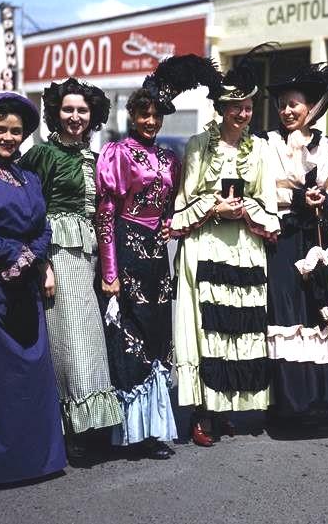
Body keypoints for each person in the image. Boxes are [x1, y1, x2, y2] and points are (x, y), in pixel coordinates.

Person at [0, 93, 66, 487]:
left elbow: (43, 228)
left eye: (15, 131)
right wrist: (15, 254)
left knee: (28, 371)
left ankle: (33, 461)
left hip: (24, 284)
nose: (8, 137)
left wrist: (32, 257)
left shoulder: (29, 178)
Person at [171, 57, 280, 446]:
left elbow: (267, 200)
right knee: (207, 329)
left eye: (248, 107)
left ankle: (226, 407)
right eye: (236, 107)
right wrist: (214, 208)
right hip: (208, 243)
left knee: (238, 327)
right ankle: (203, 413)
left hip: (244, 246)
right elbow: (184, 200)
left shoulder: (261, 148)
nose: (243, 114)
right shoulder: (198, 146)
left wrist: (245, 208)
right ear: (221, 108)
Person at [20, 78, 123, 460]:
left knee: (91, 340)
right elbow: (30, 213)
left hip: (91, 254)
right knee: (72, 341)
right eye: (68, 109)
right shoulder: (42, 155)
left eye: (82, 110)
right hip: (60, 254)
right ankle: (75, 429)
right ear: (56, 113)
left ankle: (92, 423)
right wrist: (43, 265)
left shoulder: (96, 157)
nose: (75, 116)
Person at [95, 66, 187, 458]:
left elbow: (169, 206)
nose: (150, 121)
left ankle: (153, 430)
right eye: (144, 114)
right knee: (128, 335)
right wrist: (110, 272)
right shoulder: (117, 153)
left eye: (156, 115)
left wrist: (167, 224)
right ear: (132, 115)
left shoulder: (169, 158)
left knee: (156, 334)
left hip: (157, 259)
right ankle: (127, 432)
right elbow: (105, 215)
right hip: (127, 249)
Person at [263, 62, 328, 419]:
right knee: (286, 311)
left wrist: (324, 198)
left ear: (311, 107)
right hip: (285, 237)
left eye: (294, 104)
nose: (287, 111)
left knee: (321, 310)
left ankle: (324, 400)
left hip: (318, 236)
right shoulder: (267, 144)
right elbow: (263, 190)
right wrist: (297, 198)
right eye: (282, 105)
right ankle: (290, 404)